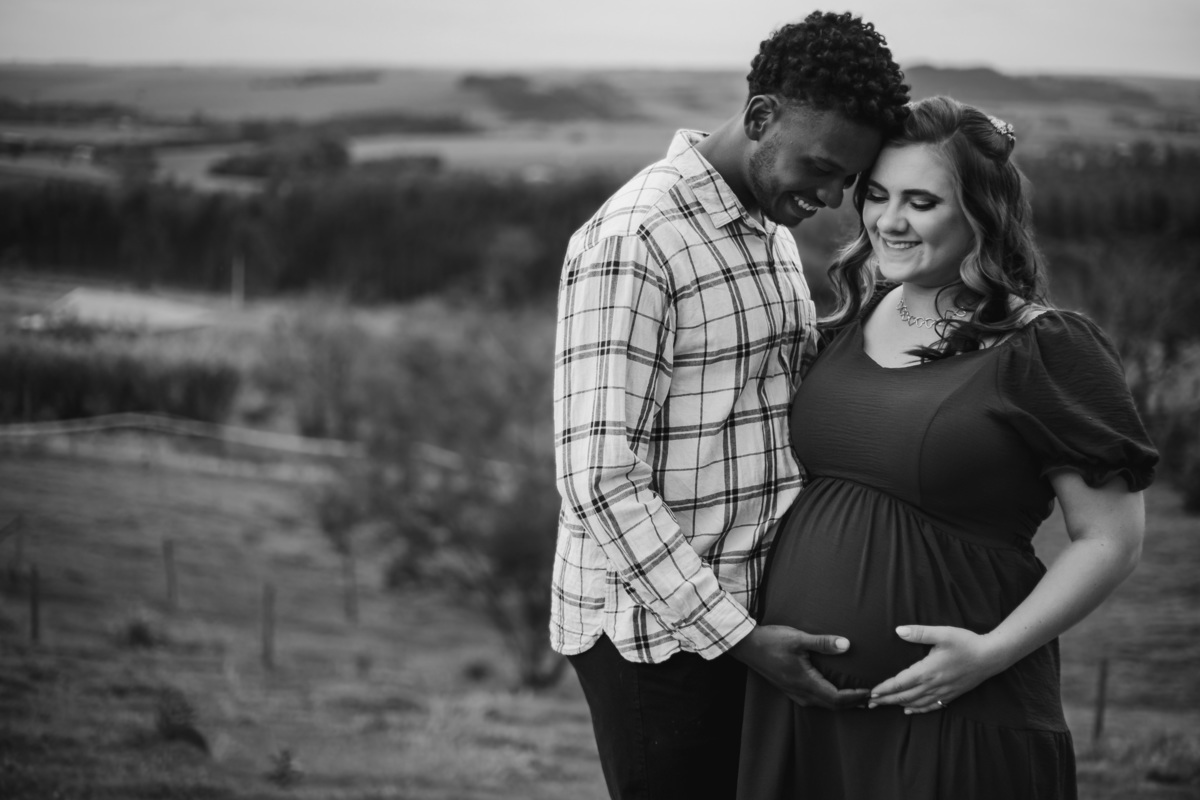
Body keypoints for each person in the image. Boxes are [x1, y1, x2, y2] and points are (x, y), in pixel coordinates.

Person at [737, 95, 1160, 800]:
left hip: (954, 708)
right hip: (806, 712)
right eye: (877, 195)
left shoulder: (1045, 346)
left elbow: (1112, 539)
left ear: (981, 214)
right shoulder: (850, 319)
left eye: (922, 201)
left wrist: (990, 654)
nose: (888, 221)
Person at [550, 11, 910, 800]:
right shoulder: (637, 239)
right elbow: (598, 478)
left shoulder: (766, 228)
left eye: (848, 181)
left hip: (749, 617)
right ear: (760, 116)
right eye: (821, 167)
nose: (831, 196)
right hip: (661, 636)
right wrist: (738, 637)